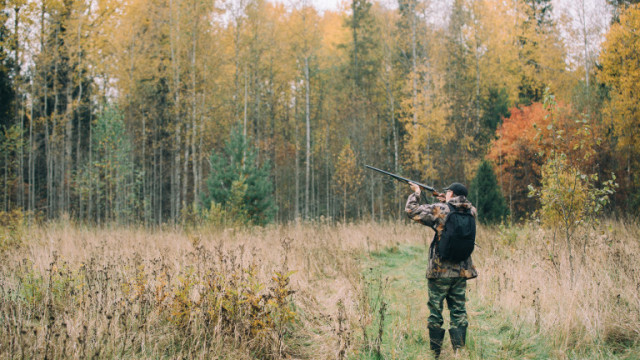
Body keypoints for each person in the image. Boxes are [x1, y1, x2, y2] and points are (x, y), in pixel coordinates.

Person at [405, 182, 477, 359]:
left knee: (435, 311)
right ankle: (459, 352)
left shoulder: (440, 209)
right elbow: (457, 208)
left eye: (448, 192)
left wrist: (416, 192)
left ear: (451, 193)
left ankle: (435, 354)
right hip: (461, 270)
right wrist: (447, 200)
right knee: (458, 310)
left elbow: (411, 211)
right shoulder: (471, 211)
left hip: (440, 270)